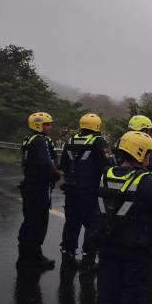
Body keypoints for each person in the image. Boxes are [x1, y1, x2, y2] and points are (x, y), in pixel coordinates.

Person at [96, 131, 152, 304]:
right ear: (139, 153)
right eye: (148, 153)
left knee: (107, 294)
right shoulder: (145, 180)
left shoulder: (106, 173)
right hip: (136, 250)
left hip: (107, 244)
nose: (150, 158)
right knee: (134, 298)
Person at [59, 113, 111, 271]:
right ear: (97, 126)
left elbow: (63, 164)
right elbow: (104, 166)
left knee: (71, 223)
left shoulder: (70, 140)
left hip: (71, 190)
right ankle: (88, 259)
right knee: (92, 225)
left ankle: (68, 254)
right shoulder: (97, 142)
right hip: (89, 191)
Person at [17, 112, 61, 269]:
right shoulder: (40, 141)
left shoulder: (29, 140)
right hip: (38, 187)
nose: (50, 127)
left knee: (29, 220)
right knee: (38, 222)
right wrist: (57, 175)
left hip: (29, 184)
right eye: (47, 124)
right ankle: (33, 257)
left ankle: (25, 255)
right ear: (38, 125)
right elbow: (45, 163)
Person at [127, 114, 152, 286]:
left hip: (123, 202)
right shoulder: (145, 152)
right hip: (145, 203)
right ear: (144, 130)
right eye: (148, 131)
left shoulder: (121, 149)